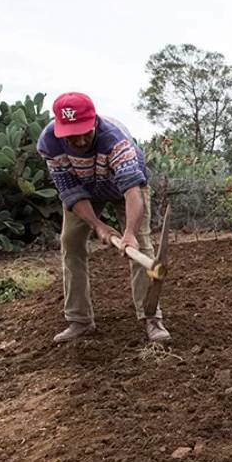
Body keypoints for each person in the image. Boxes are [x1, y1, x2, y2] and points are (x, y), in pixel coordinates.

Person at [37, 92, 170, 343]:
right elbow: (69, 191)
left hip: (125, 188)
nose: (79, 139)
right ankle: (79, 320)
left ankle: (152, 318)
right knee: (71, 243)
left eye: (84, 132)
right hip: (84, 188)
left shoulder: (115, 140)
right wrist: (98, 226)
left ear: (94, 120)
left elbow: (132, 191)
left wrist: (128, 233)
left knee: (140, 243)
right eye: (71, 134)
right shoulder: (49, 142)